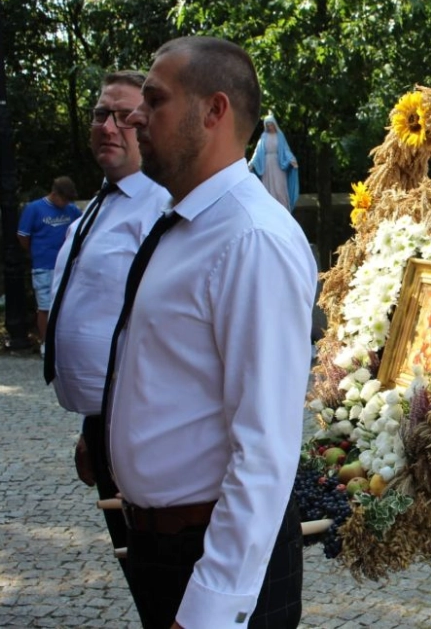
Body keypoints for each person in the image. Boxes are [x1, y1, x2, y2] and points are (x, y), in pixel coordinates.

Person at [109, 36, 317, 628]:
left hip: (212, 553)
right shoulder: (186, 223)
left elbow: (266, 446)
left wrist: (210, 608)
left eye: (155, 100)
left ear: (215, 110)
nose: (136, 117)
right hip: (166, 544)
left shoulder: (251, 238)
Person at [44, 70, 171, 575]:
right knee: (136, 563)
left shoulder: (158, 207)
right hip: (107, 424)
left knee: (157, 569)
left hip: (144, 425)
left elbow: (155, 326)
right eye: (101, 114)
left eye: (124, 116)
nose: (109, 127)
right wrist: (90, 425)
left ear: (148, 126)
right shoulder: (97, 206)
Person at [17, 176, 81, 353]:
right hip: (44, 265)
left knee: (67, 305)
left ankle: (65, 343)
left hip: (67, 265)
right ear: (55, 194)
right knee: (45, 306)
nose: (67, 203)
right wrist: (37, 252)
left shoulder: (72, 210)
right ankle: (46, 343)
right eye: (65, 198)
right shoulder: (34, 209)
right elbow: (23, 236)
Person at [248, 113, 299, 211]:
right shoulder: (264, 136)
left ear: (274, 124)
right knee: (267, 188)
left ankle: (283, 209)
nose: (269, 127)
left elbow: (285, 150)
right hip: (267, 165)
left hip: (278, 164)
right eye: (267, 125)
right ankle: (269, 210)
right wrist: (252, 163)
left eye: (271, 124)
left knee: (280, 188)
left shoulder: (280, 136)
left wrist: (292, 159)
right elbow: (258, 151)